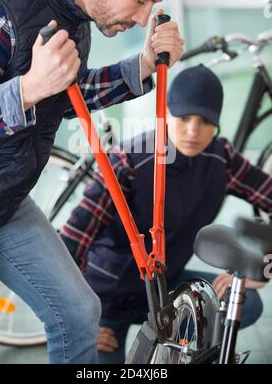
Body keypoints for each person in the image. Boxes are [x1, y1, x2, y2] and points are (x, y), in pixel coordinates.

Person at [0, 0, 195, 364]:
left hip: (0, 199)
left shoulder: (73, 9)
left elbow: (69, 92)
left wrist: (145, 65)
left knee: (78, 311)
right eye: (140, 0)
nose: (140, 19)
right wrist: (27, 90)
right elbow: (38, 88)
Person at [60, 64, 272, 364]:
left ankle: (174, 346)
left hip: (166, 286)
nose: (192, 132)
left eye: (205, 121)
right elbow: (72, 241)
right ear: (167, 115)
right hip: (107, 297)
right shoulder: (128, 159)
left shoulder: (221, 158)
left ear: (217, 125)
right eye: (184, 118)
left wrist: (264, 267)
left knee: (247, 304)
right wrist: (78, 320)